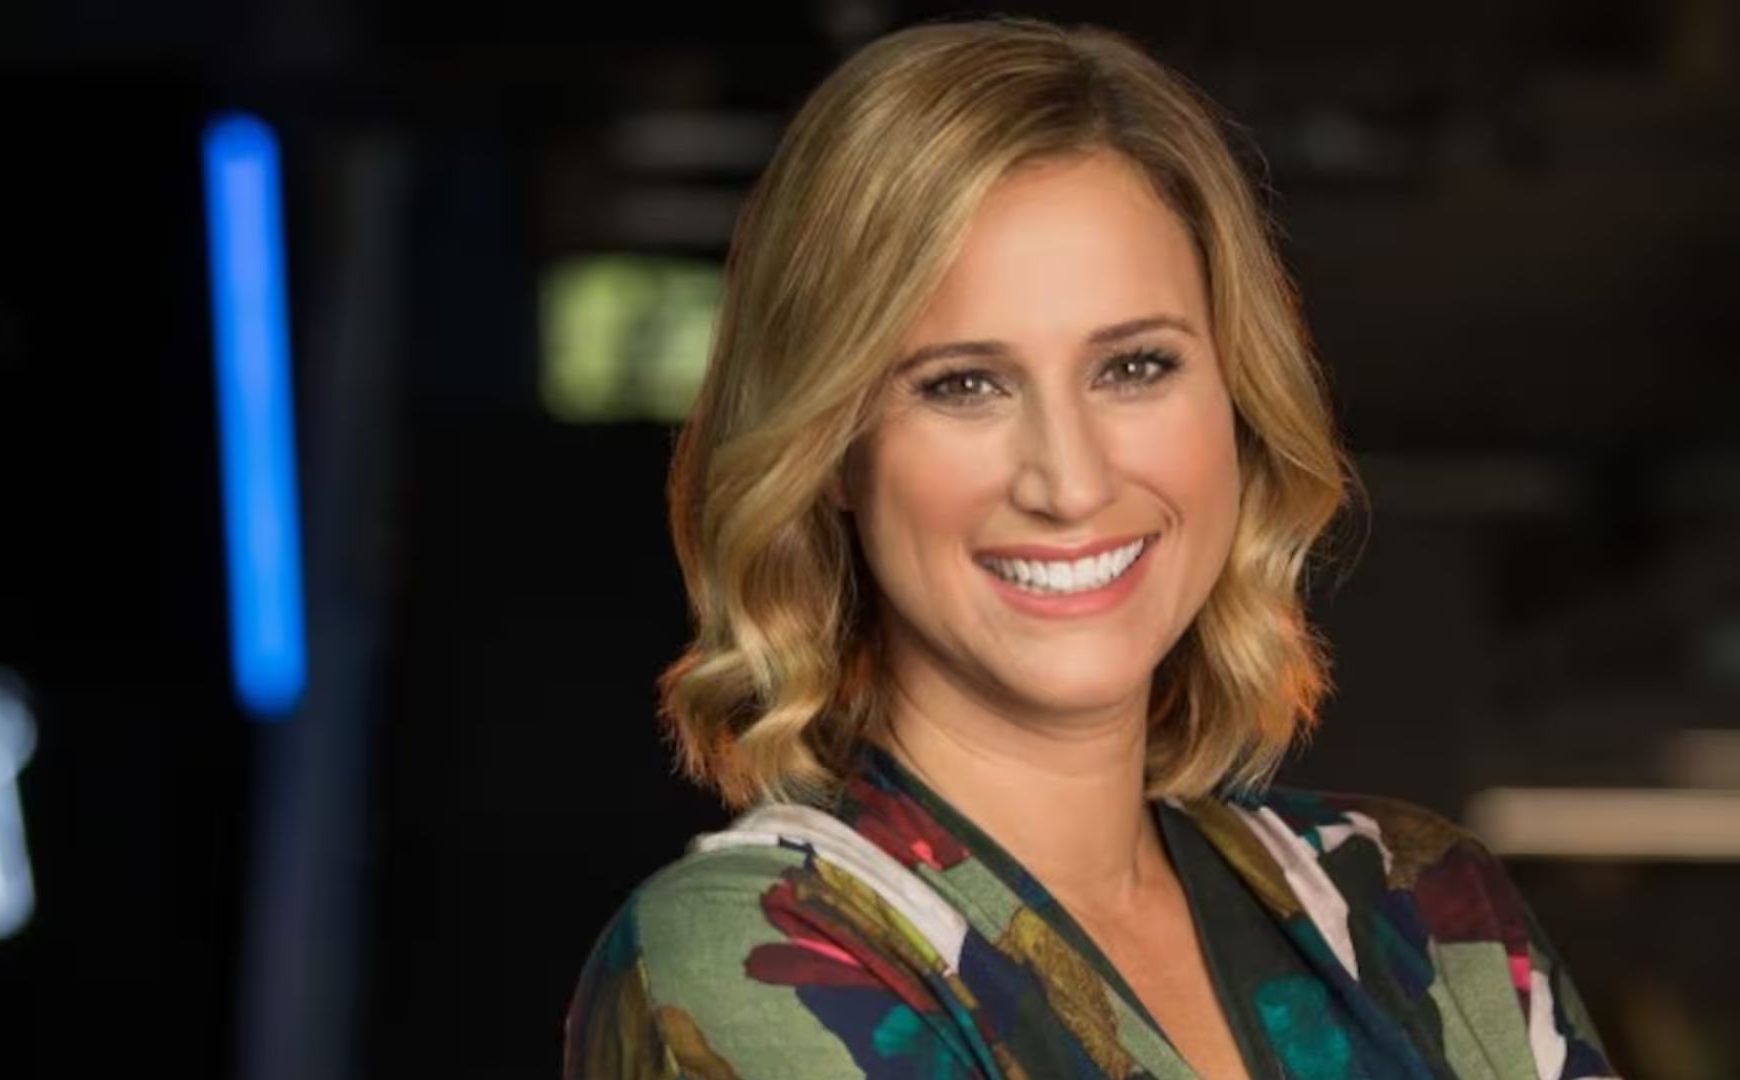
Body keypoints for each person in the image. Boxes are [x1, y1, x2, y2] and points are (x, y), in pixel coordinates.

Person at [564, 17, 1614, 1080]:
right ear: (832, 447)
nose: (1069, 483)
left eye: (1135, 367)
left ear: (1238, 393)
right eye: (964, 385)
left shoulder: (1422, 912)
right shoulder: (756, 950)